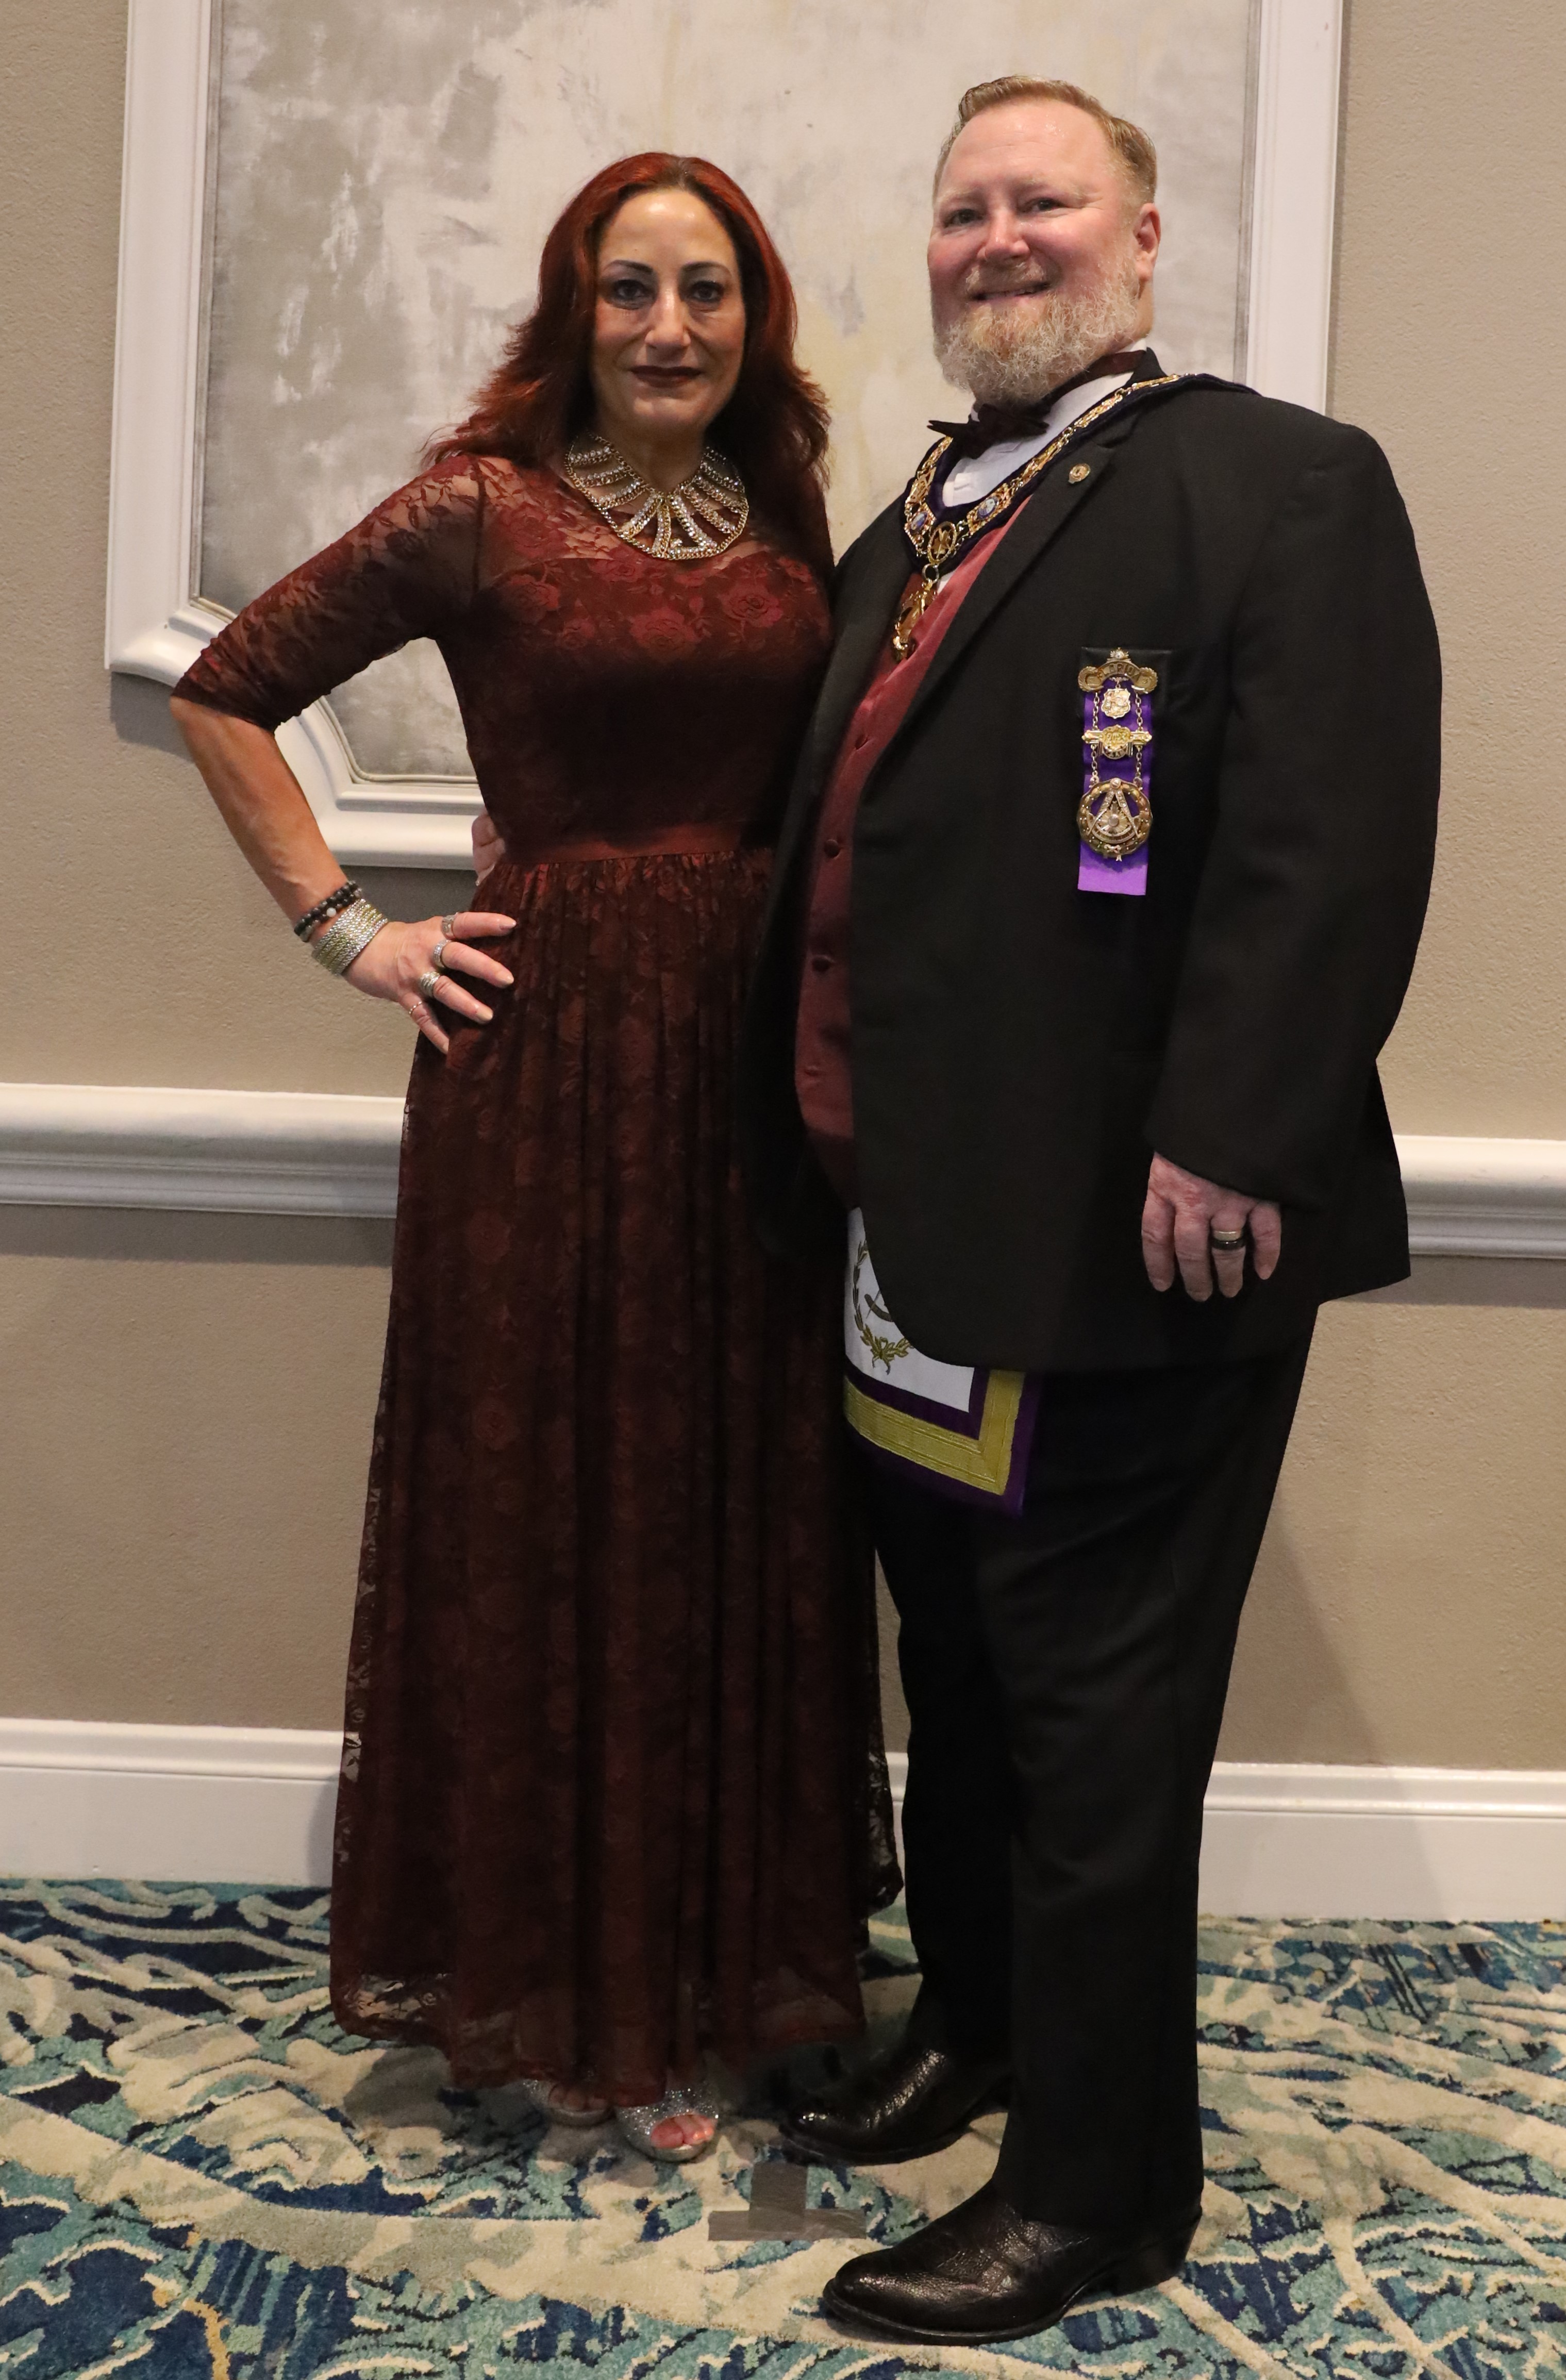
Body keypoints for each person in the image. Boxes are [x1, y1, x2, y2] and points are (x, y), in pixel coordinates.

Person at [738, 76, 1439, 2340]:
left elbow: (1328, 848)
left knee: (1097, 1724)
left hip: (1137, 1244)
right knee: (957, 1668)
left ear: (1142, 239)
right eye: (962, 209)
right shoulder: (913, 521)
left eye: (1042, 200)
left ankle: (1098, 2187)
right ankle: (982, 2024)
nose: (996, 238)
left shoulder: (1279, 487)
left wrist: (1233, 1133)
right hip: (909, 1236)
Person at [171, 153, 896, 2165]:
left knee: (740, 1491)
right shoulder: (478, 507)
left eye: (706, 289)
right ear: (574, 310)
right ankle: (574, 1995)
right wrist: (352, 929)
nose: (668, 326)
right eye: (629, 288)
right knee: (564, 1496)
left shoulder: (786, 502)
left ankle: (734, 1965)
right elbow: (231, 693)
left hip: (749, 1073)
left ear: (753, 315)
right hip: (548, 1067)